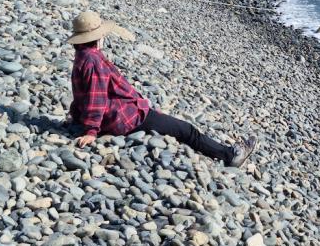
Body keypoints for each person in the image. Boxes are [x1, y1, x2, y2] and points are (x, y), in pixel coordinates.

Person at [66, 10, 256, 166]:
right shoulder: (93, 60)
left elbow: (83, 93)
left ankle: (225, 152)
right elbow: (95, 97)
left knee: (169, 122)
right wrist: (91, 131)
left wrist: (76, 115)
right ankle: (230, 155)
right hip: (125, 118)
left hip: (123, 111)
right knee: (186, 130)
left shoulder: (83, 56)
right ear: (97, 36)